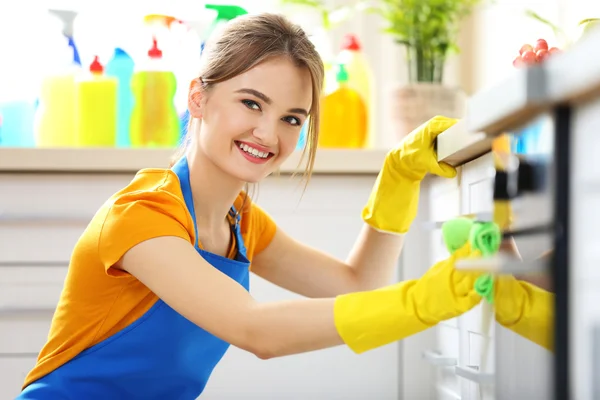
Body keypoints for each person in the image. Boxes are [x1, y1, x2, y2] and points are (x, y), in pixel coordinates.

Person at [18, 13, 484, 400]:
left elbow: (357, 285)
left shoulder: (239, 222)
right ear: (198, 98)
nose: (268, 134)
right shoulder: (140, 216)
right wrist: (424, 301)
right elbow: (257, 331)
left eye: (291, 118)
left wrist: (398, 178)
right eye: (251, 103)